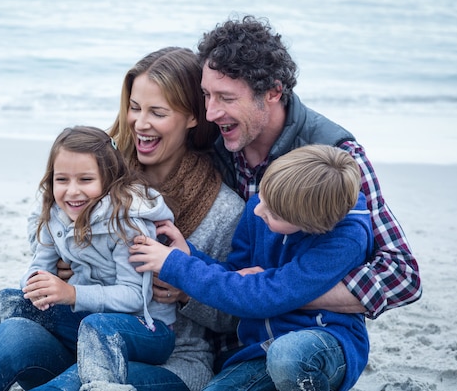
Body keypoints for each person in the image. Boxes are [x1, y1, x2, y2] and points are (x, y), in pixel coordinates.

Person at [0, 47, 245, 391]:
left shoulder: (223, 208)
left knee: (71, 383)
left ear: (192, 117)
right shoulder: (99, 169)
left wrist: (188, 288)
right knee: (14, 334)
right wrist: (67, 262)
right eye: (135, 108)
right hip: (79, 334)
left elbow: (234, 319)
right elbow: (45, 223)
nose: (140, 123)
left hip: (169, 358)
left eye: (157, 112)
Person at [198, 15, 421, 320]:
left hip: (306, 338)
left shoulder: (336, 156)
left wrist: (277, 293)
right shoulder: (210, 142)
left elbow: (401, 276)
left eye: (226, 98)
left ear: (273, 92)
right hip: (221, 324)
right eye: (206, 95)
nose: (211, 112)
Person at [0, 125, 177, 391]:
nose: (72, 191)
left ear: (108, 180)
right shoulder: (55, 216)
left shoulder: (126, 223)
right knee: (10, 299)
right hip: (84, 321)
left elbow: (135, 297)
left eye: (85, 180)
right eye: (62, 180)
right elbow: (38, 266)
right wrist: (38, 284)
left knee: (97, 325)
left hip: (145, 329)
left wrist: (71, 293)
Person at [129, 144, 374, 391]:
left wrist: (175, 265)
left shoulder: (345, 241)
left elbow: (264, 295)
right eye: (263, 197)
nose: (258, 210)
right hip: (261, 348)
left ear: (312, 226)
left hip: (324, 341)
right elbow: (237, 277)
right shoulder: (262, 206)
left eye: (273, 214)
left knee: (288, 356)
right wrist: (189, 254)